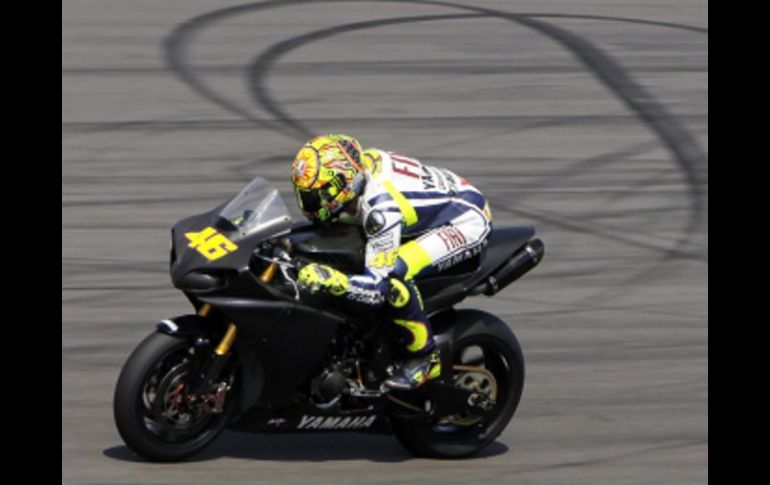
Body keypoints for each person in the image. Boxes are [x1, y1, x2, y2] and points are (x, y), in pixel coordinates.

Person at [292, 134, 492, 390]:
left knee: (396, 275)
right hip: (440, 201)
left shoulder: (380, 210)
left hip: (465, 221)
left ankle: (424, 357)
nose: (306, 205)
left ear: (340, 186)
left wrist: (335, 281)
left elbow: (377, 290)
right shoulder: (360, 168)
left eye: (312, 197)